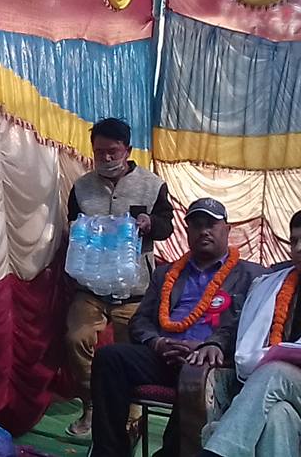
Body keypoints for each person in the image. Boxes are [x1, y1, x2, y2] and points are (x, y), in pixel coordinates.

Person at [90, 198, 263, 457]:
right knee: (109, 358)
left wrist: (211, 344)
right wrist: (158, 342)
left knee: (194, 373)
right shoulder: (165, 274)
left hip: (211, 363)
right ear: (187, 231)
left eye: (211, 225)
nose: (204, 231)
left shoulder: (252, 276)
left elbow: (251, 325)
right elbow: (140, 321)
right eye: (197, 225)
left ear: (227, 230)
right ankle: (110, 452)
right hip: (165, 354)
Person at [65, 118, 175, 436]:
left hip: (135, 289)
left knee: (131, 353)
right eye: (99, 152)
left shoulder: (152, 185)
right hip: (91, 286)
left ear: (127, 150)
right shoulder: (82, 187)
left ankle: (132, 414)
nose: (106, 158)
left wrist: (150, 224)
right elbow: (72, 223)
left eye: (113, 151)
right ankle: (92, 405)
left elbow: (167, 225)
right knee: (76, 339)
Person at [199, 210, 301, 457]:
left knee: (275, 371)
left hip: (278, 377)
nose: (298, 248)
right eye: (294, 241)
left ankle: (217, 453)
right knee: (278, 415)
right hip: (282, 391)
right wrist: (216, 343)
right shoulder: (272, 283)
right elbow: (237, 323)